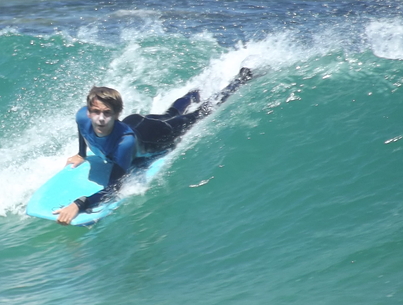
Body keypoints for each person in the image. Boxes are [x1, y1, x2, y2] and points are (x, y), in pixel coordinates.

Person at [53, 67, 253, 225]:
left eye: (107, 113)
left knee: (195, 115)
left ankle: (239, 81)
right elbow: (82, 128)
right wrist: (81, 153)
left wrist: (80, 204)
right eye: (96, 112)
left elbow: (114, 187)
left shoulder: (125, 143)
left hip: (156, 136)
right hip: (136, 122)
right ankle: (195, 91)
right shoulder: (82, 116)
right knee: (169, 113)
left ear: (116, 114)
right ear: (88, 112)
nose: (101, 118)